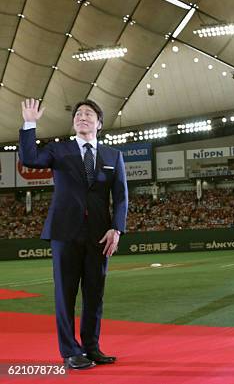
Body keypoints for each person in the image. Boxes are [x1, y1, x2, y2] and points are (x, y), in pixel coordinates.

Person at [19, 99, 128, 369]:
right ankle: (70, 352)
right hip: (64, 232)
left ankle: (91, 348)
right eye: (78, 114)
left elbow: (121, 197)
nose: (82, 116)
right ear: (73, 123)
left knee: (95, 294)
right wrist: (30, 123)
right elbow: (29, 159)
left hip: (99, 235)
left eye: (89, 114)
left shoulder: (114, 156)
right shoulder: (59, 150)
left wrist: (117, 228)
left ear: (99, 123)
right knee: (65, 294)